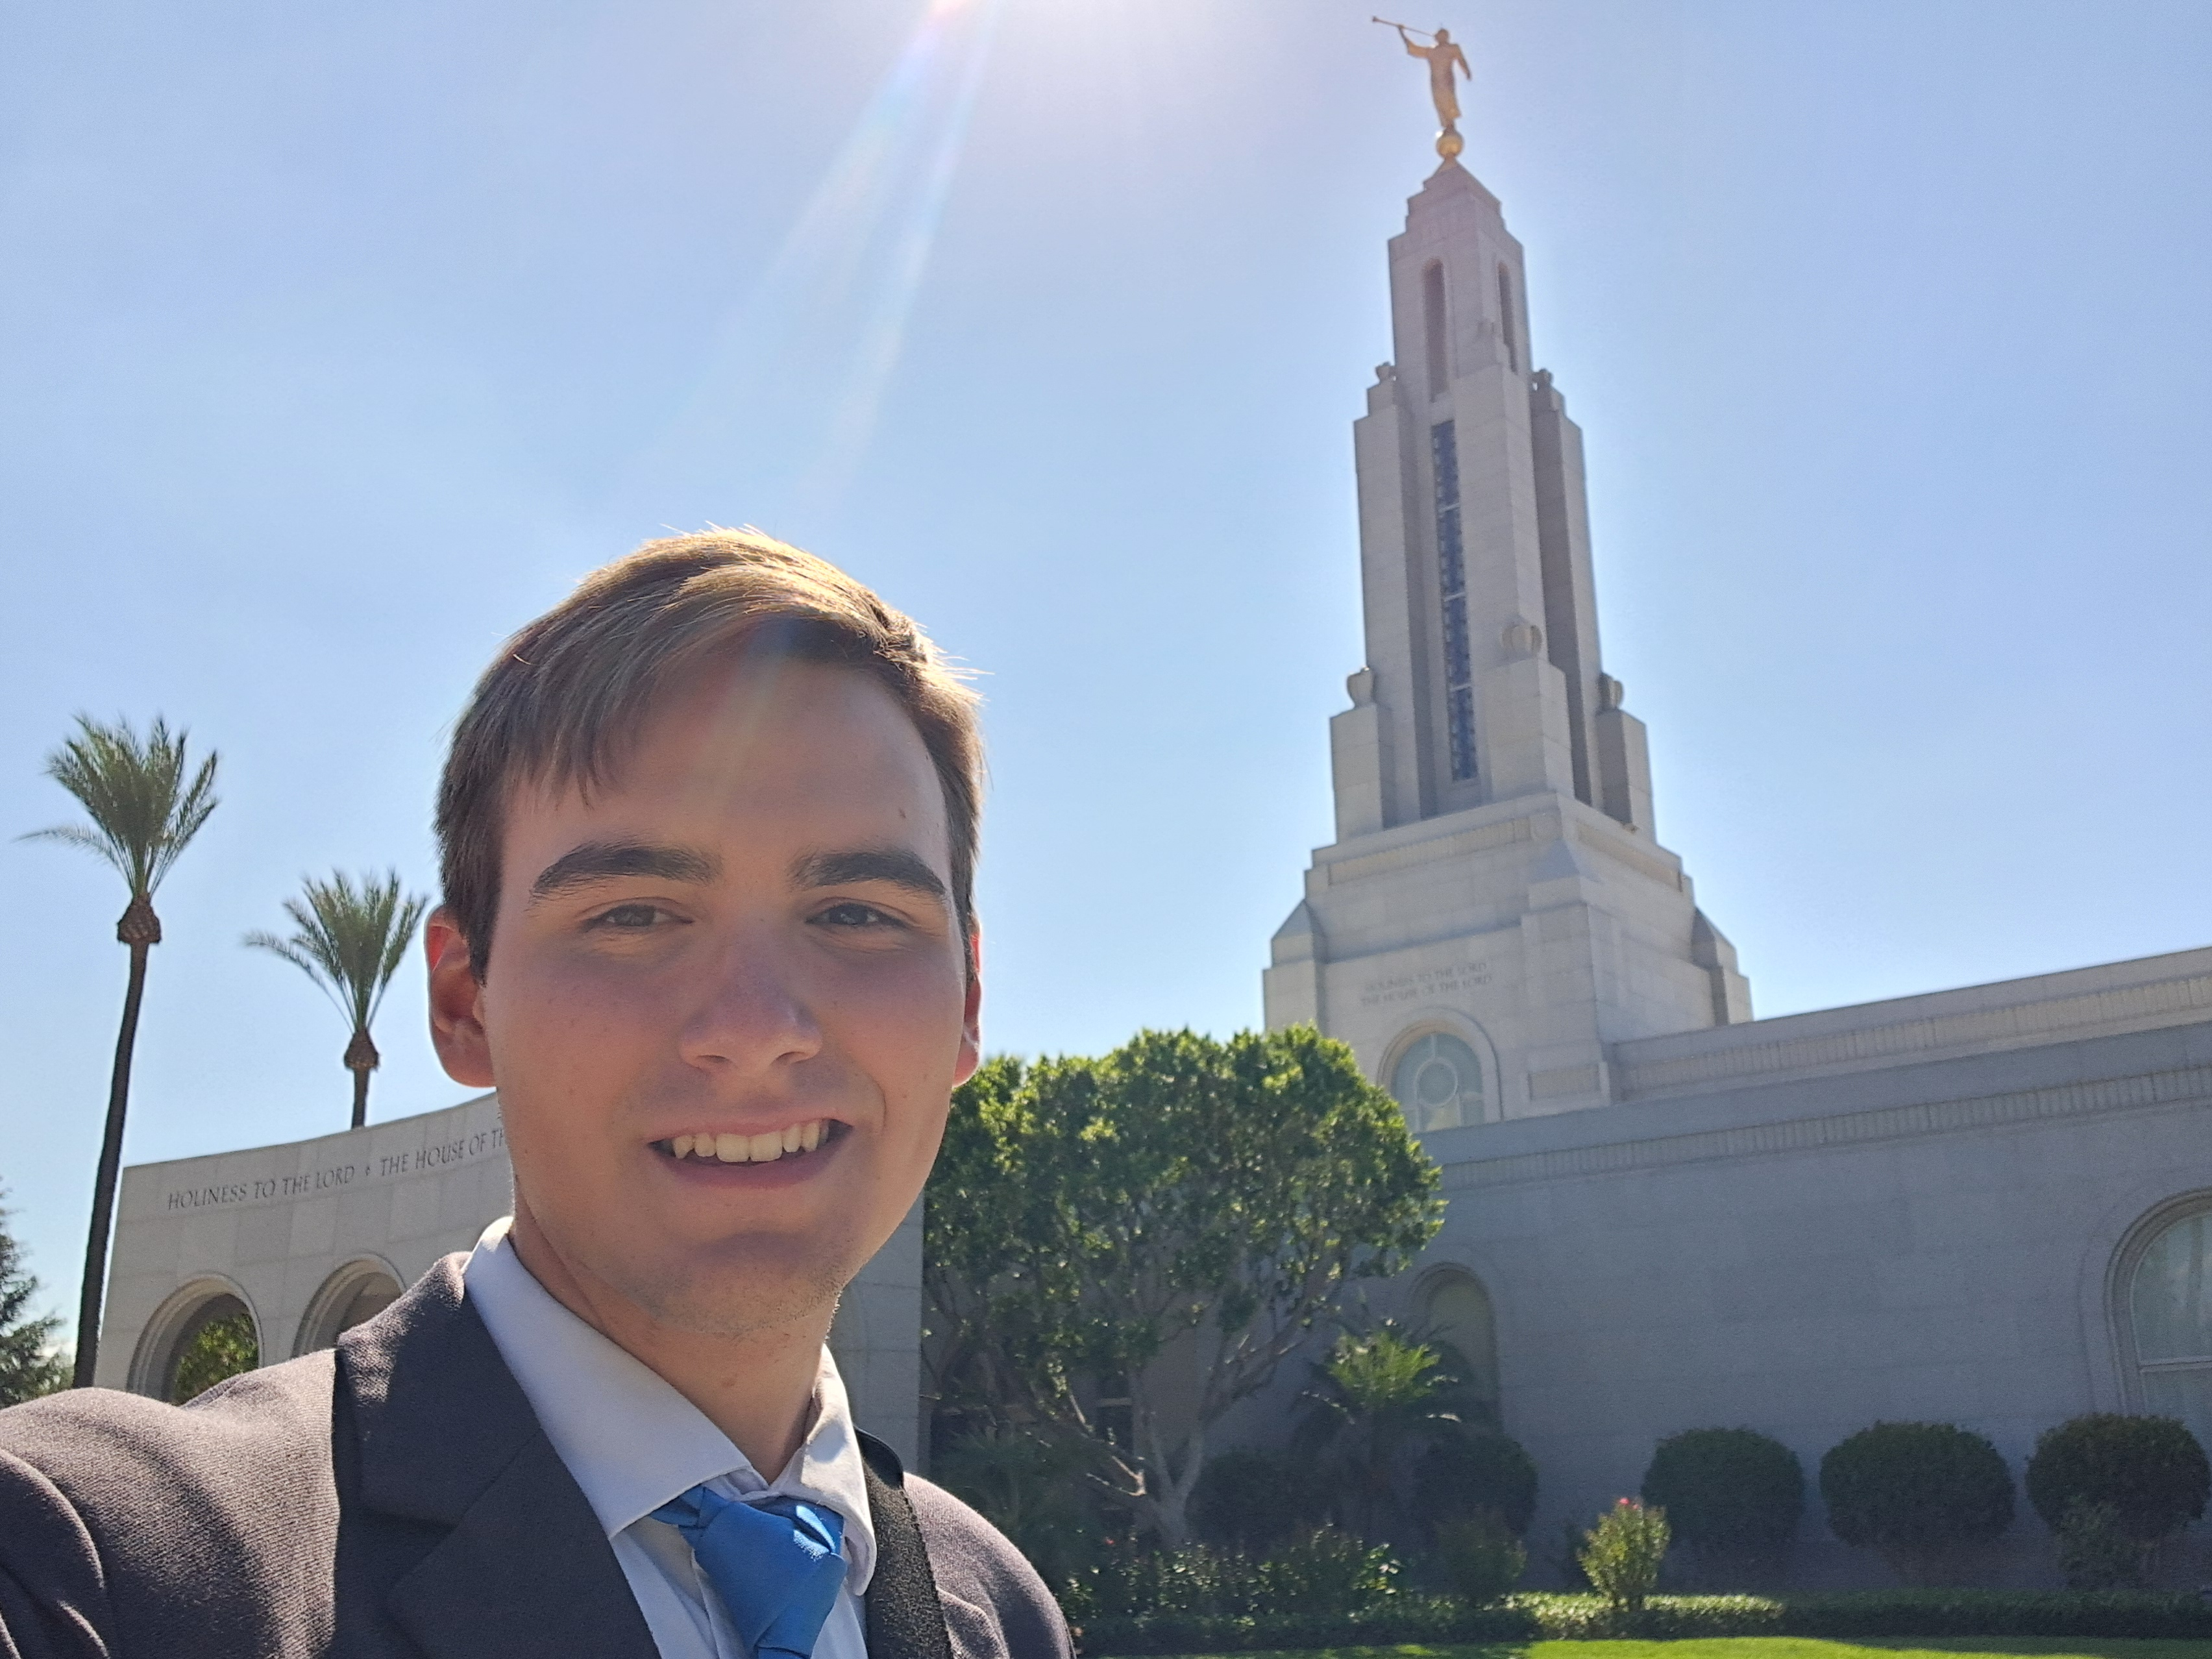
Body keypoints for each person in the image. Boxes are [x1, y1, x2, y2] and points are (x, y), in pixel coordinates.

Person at [0, 531, 1072, 1659]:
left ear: (968, 1002)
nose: (758, 1032)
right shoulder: (98, 1567)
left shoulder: (996, 1613)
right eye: (634, 915)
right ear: (464, 1002)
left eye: (856, 911)